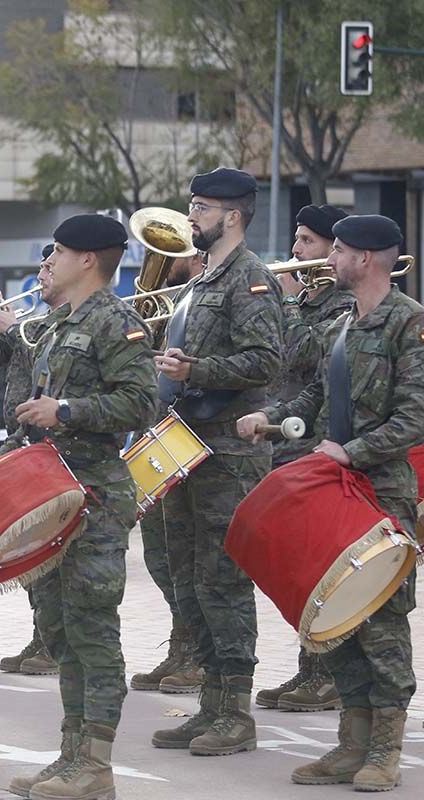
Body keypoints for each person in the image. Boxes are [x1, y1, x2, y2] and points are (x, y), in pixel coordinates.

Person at [238, 214, 422, 792]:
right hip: (333, 485)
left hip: (381, 492)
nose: (327, 259)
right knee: (337, 614)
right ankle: (351, 744)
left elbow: (416, 415)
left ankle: (384, 751)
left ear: (365, 258)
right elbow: (319, 393)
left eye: (337, 250)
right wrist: (272, 420)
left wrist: (353, 452)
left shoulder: (408, 323)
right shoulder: (342, 323)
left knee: (383, 623)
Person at [0, 214, 157, 799]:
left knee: (92, 631)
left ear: (88, 259)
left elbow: (140, 403)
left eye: (59, 252)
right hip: (51, 493)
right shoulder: (58, 324)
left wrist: (66, 411)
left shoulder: (117, 322)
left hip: (93, 498)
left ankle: (95, 765)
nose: (50, 261)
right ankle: (70, 754)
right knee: (60, 631)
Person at [150, 167, 283, 756]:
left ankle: (236, 712)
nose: (191, 216)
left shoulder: (249, 278)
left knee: (223, 581)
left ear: (232, 215)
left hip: (228, 454)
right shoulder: (202, 281)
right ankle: (210, 703)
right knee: (189, 579)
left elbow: (265, 362)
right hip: (188, 447)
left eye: (200, 207)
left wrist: (194, 370)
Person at [253, 204, 351, 714]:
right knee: (295, 568)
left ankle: (324, 675)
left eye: (309, 242)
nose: (296, 252)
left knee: (318, 566)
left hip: (317, 450)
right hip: (283, 444)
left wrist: (289, 307)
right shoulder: (308, 298)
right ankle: (308, 669)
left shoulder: (346, 306)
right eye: (297, 240)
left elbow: (306, 358)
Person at [131, 249, 207, 696]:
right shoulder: (170, 302)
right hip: (158, 435)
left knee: (190, 559)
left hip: (191, 439)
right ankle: (182, 644)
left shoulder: (204, 299)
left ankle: (197, 653)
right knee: (161, 556)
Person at [0, 243, 62, 677]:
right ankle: (42, 634)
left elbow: (49, 366)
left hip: (48, 448)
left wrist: (12, 329)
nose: (43, 273)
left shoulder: (57, 326)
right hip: (20, 438)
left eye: (51, 265)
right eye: (42, 265)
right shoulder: (39, 322)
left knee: (49, 552)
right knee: (29, 549)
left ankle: (53, 642)